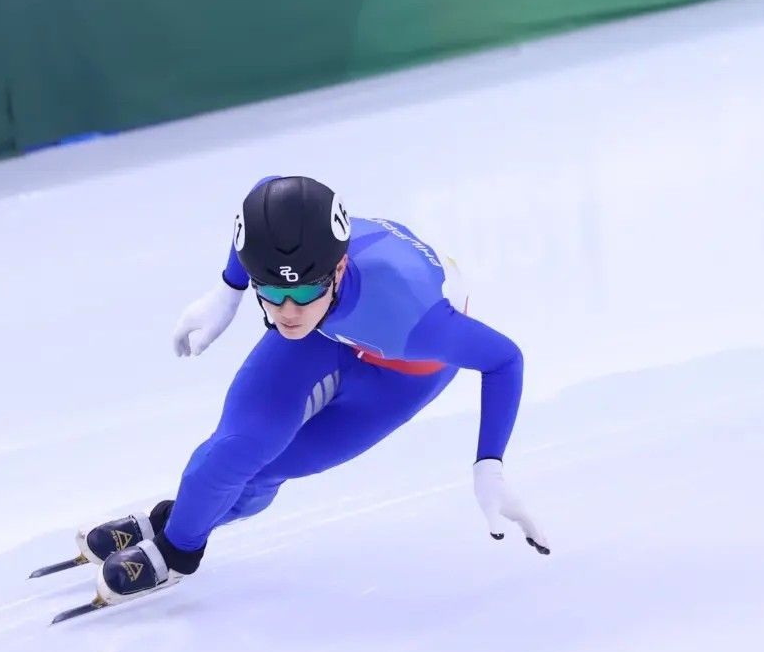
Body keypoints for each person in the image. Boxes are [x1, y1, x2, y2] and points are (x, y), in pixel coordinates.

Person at [77, 175, 547, 607]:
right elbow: (263, 197)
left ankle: (177, 528)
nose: (287, 312)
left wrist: (489, 465)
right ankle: (178, 542)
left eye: (302, 294)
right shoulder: (291, 265)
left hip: (402, 369)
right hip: (333, 331)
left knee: (270, 468)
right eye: (271, 292)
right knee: (237, 449)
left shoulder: (419, 321)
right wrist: (228, 292)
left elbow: (505, 359)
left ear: (339, 270)